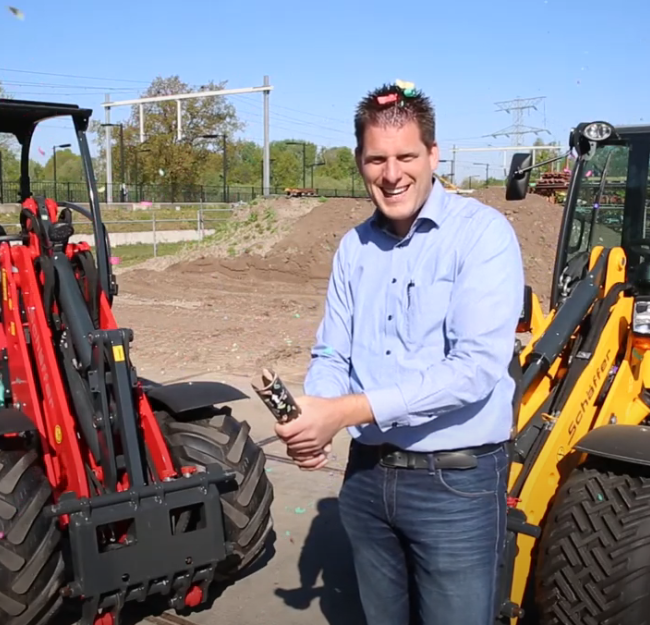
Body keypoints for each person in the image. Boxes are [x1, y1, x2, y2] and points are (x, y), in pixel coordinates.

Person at [274, 81, 526, 625]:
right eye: (377, 159)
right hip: (366, 479)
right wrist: (312, 419)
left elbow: (474, 370)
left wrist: (345, 412)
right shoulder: (353, 247)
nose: (392, 174)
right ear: (360, 162)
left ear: (433, 154)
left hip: (454, 485)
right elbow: (332, 351)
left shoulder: (482, 236)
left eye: (407, 156)